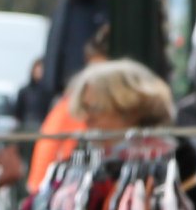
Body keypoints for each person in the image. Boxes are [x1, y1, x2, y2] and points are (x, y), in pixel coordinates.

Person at [26, 56, 168, 191]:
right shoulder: (85, 160)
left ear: (130, 110)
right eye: (84, 108)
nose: (87, 119)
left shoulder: (165, 162)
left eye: (95, 109)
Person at [14, 57, 55, 130]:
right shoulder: (24, 91)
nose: (38, 73)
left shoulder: (47, 92)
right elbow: (18, 113)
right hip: (25, 127)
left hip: (41, 127)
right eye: (37, 71)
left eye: (40, 71)